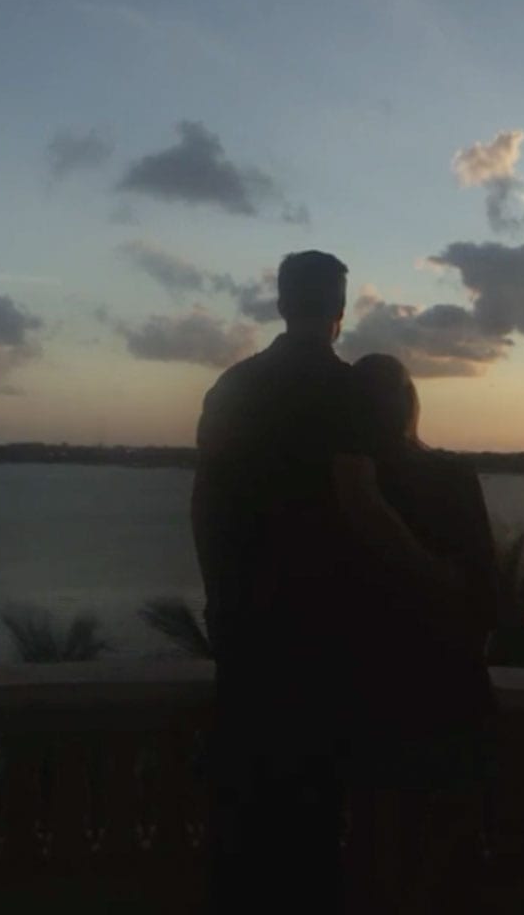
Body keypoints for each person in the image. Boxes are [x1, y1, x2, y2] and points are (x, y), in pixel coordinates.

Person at [192, 251, 460, 915]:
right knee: (316, 831)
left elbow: (204, 506)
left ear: (282, 304)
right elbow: (364, 505)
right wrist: (441, 580)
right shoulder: (350, 395)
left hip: (246, 633)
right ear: (340, 312)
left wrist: (220, 599)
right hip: (324, 640)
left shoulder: (233, 388)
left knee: (245, 825)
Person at [347, 353, 500, 915]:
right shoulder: (451, 477)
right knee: (442, 829)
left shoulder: (339, 490)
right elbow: (487, 592)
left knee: (378, 830)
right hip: (445, 683)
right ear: (410, 404)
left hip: (367, 685)